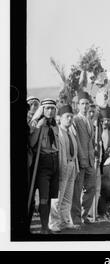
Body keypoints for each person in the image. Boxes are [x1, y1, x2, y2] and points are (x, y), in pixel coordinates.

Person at [29, 98, 60, 234]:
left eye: (53, 108)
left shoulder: (55, 125)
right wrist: (38, 127)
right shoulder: (37, 123)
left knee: (51, 197)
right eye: (47, 108)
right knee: (43, 196)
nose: (50, 111)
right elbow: (31, 143)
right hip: (42, 162)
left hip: (55, 161)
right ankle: (43, 228)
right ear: (42, 109)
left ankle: (47, 226)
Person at [49, 105, 80, 231]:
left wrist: (76, 167)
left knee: (68, 196)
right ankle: (54, 224)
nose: (70, 119)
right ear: (60, 118)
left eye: (71, 117)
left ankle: (66, 221)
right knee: (58, 196)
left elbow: (75, 152)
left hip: (72, 165)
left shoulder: (71, 132)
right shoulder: (57, 132)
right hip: (62, 166)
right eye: (67, 117)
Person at [71, 91, 96, 225]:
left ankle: (84, 215)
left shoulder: (90, 120)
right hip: (80, 160)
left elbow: (90, 141)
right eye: (82, 104)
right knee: (77, 190)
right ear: (78, 106)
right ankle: (75, 219)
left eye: (87, 104)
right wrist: (81, 159)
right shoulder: (75, 120)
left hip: (91, 160)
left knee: (91, 188)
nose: (85, 106)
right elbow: (76, 141)